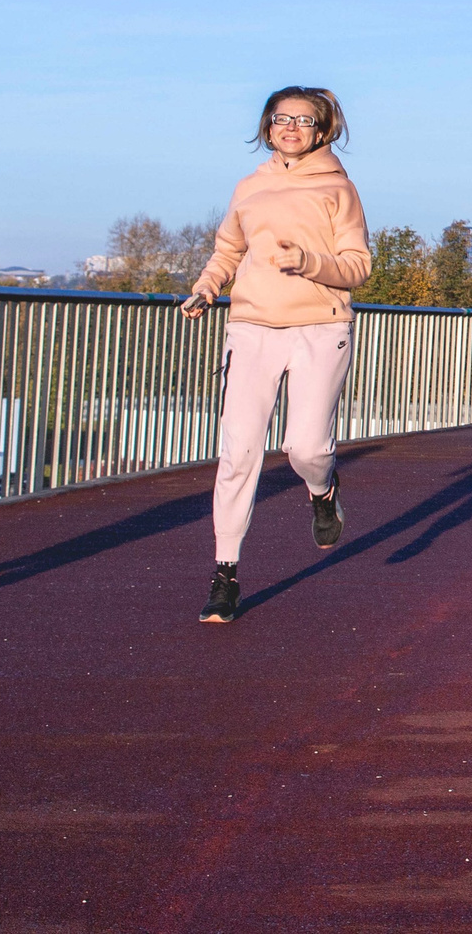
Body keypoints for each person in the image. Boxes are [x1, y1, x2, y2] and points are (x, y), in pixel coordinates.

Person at [182, 86, 372, 626]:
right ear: (267, 126)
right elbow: (228, 249)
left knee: (306, 447)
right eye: (281, 118)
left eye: (303, 120)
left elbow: (357, 266)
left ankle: (322, 488)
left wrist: (309, 261)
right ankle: (225, 575)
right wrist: (207, 286)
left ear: (322, 130)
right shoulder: (249, 186)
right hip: (251, 326)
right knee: (239, 450)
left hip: (319, 325)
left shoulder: (339, 189)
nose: (290, 127)